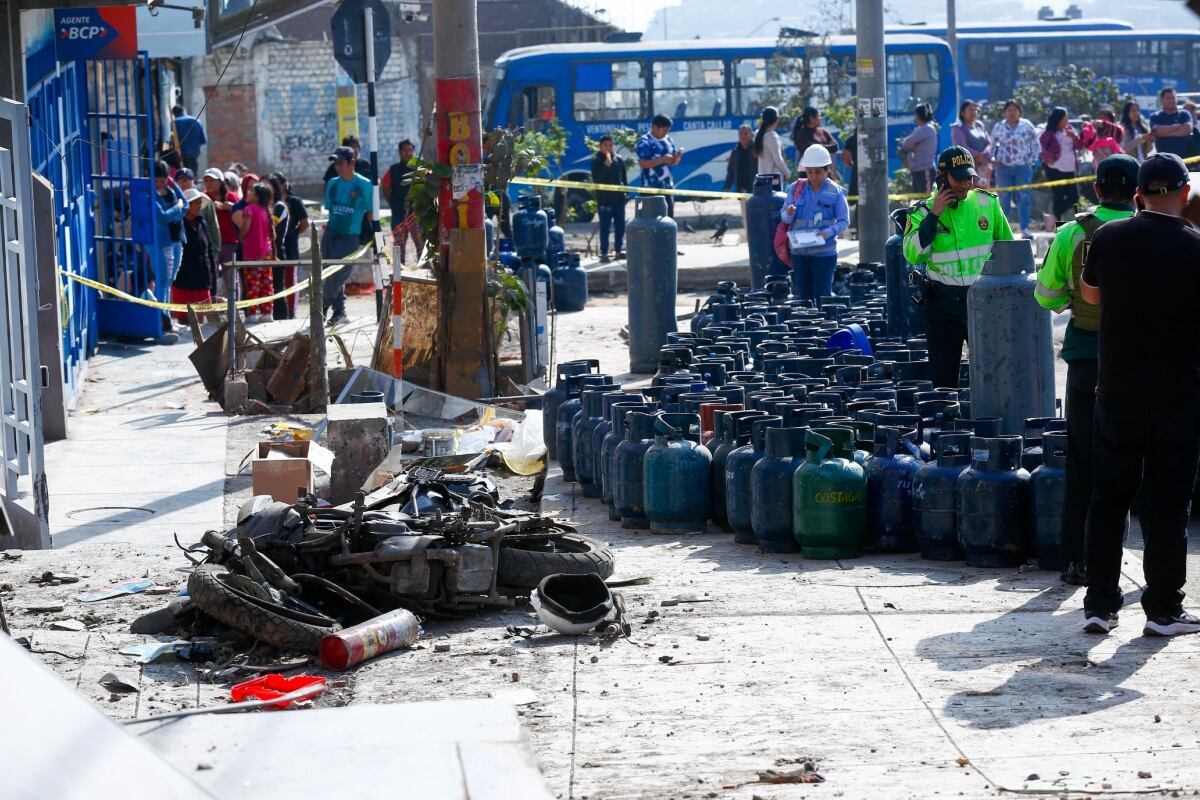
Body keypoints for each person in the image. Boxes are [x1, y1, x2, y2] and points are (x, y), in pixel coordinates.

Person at [1078, 152, 1200, 637]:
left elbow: (1089, 296)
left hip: (1118, 393)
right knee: (1168, 505)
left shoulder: (1108, 236)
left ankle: (1100, 605)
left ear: (1137, 195)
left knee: (1108, 499)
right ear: (1184, 194)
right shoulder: (1195, 246)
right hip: (1178, 397)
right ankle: (1164, 610)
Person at [1033, 154, 1139, 587]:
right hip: (1137, 358)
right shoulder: (1153, 233)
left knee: (1081, 457)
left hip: (1084, 356)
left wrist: (1072, 303)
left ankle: (1075, 559)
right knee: (1137, 460)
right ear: (1136, 192)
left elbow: (1045, 295)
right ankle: (1139, 562)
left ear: (1095, 190)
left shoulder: (1072, 232)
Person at [902, 145, 1013, 390]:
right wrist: (934, 215)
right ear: (942, 178)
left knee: (993, 373)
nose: (966, 184)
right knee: (944, 378)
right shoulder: (921, 212)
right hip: (942, 305)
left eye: (969, 177)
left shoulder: (987, 204)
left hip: (984, 302)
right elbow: (912, 254)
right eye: (959, 178)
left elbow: (1010, 249)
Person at [780, 145, 849, 306]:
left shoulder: (835, 192)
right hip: (800, 252)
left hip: (825, 254)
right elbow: (784, 218)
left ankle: (824, 328)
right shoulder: (796, 189)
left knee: (822, 295)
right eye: (809, 171)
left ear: (827, 170)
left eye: (818, 172)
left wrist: (828, 232)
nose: (813, 176)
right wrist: (789, 213)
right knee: (803, 296)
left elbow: (844, 221)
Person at [322, 145, 374, 326]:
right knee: (328, 274)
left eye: (341, 162)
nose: (337, 166)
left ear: (352, 162)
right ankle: (339, 313)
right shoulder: (333, 184)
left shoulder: (364, 185)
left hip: (350, 237)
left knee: (338, 276)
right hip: (331, 234)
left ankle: (320, 308)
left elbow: (370, 212)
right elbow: (329, 208)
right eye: (335, 163)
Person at [990, 99, 1040, 237]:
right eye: (1009, 110)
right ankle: (1002, 231)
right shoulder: (998, 127)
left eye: (1014, 110)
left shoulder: (1027, 125)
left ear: (1020, 112)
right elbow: (992, 146)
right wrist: (993, 160)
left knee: (1024, 198)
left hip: (1022, 167)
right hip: (1003, 168)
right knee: (1003, 199)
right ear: (1004, 112)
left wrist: (1031, 160)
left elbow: (1036, 144)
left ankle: (1025, 229)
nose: (1012, 113)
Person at [170, 188, 217, 322]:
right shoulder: (179, 224)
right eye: (195, 203)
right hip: (183, 278)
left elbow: (209, 248)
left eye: (199, 203)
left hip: (202, 278)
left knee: (202, 318)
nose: (198, 206)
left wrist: (212, 270)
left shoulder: (202, 223)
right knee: (184, 319)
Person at [232, 182, 276, 320]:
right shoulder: (266, 210)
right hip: (266, 253)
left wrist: (240, 235)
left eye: (251, 191)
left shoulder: (249, 210)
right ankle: (267, 312)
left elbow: (245, 229)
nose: (248, 193)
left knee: (252, 283)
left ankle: (252, 314)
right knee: (266, 283)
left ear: (257, 196)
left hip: (252, 253)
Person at [1039, 107, 1082, 229]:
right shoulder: (1048, 134)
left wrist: (1074, 136)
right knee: (1058, 197)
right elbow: (1040, 149)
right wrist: (1049, 158)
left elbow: (1080, 145)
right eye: (1064, 118)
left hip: (1070, 168)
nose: (1067, 120)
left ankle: (1052, 217)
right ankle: (1057, 224)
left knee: (1074, 196)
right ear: (1057, 119)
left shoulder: (1070, 130)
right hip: (1055, 169)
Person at [174, 168, 221, 282]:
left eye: (188, 179)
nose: (185, 183)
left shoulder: (204, 201)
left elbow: (213, 225)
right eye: (181, 180)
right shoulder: (171, 201)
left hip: (202, 249)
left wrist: (215, 249)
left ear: (193, 182)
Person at [590, 135, 628, 262]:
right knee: (605, 227)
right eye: (605, 145)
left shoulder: (618, 159)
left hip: (618, 199)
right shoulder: (597, 161)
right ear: (600, 147)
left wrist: (625, 193)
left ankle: (618, 250)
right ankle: (604, 253)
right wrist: (605, 166)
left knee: (620, 226)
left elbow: (623, 178)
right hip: (605, 199)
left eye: (610, 145)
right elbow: (597, 179)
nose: (608, 148)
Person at [381, 139, 420, 264]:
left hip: (417, 214)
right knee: (399, 246)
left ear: (413, 151)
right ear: (400, 153)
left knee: (421, 245)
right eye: (404, 150)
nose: (407, 153)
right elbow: (385, 186)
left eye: (410, 150)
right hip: (399, 214)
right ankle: (399, 273)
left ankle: (425, 273)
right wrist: (392, 202)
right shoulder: (394, 170)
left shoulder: (419, 169)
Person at [636, 114, 682, 218]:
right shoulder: (644, 141)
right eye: (664, 130)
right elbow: (643, 163)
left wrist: (676, 158)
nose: (666, 133)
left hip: (667, 187)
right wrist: (662, 160)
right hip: (649, 188)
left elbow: (673, 162)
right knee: (649, 220)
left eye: (667, 130)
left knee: (668, 220)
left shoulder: (668, 140)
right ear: (655, 127)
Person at [203, 168, 238, 294]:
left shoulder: (231, 197)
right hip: (211, 244)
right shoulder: (204, 198)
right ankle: (213, 307)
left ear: (220, 182)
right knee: (211, 276)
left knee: (231, 278)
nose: (209, 183)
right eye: (206, 181)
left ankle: (234, 309)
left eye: (212, 180)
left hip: (230, 242)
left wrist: (231, 207)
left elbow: (243, 214)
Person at [153, 159, 187, 286]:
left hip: (177, 239)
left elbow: (186, 204)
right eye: (155, 180)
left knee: (170, 280)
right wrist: (177, 207)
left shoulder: (170, 190)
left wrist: (173, 183)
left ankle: (165, 306)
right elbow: (163, 216)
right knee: (163, 281)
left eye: (162, 181)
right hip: (163, 242)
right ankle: (160, 307)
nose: (159, 184)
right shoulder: (151, 194)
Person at [951, 100, 992, 187]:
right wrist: (978, 156)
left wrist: (985, 154)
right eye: (970, 110)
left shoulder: (980, 125)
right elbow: (962, 146)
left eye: (974, 110)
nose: (973, 112)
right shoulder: (957, 128)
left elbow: (989, 143)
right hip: (967, 167)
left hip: (984, 166)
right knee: (969, 194)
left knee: (983, 195)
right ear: (962, 113)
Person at [901, 103, 938, 195]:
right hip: (918, 170)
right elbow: (906, 144)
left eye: (915, 115)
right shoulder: (920, 129)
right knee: (917, 202)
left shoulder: (927, 128)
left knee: (925, 202)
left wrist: (913, 145)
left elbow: (906, 143)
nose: (914, 118)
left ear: (919, 115)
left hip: (925, 170)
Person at [1149, 88, 1193, 160]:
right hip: (1163, 160)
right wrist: (1177, 126)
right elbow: (1157, 132)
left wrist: (1164, 131)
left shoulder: (1184, 114)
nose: (1171, 100)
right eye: (1168, 98)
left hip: (1184, 160)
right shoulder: (1155, 116)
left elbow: (1187, 129)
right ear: (1162, 100)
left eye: (1173, 98)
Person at [791, 107, 838, 175]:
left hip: (825, 174)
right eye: (818, 116)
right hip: (809, 175)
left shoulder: (823, 131)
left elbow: (835, 146)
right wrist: (824, 147)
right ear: (811, 118)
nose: (820, 118)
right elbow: (812, 150)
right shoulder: (802, 134)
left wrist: (819, 147)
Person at [753, 106, 790, 181]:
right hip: (774, 181)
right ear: (777, 119)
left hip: (762, 179)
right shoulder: (772, 137)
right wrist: (788, 173)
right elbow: (778, 160)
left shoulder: (758, 134)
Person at [172, 105, 206, 174]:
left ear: (173, 113)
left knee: (181, 178)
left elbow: (168, 142)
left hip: (179, 157)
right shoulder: (196, 120)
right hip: (194, 155)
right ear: (184, 111)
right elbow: (203, 140)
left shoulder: (173, 123)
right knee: (193, 176)